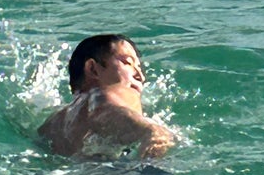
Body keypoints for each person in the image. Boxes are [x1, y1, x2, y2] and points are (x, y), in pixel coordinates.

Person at [40, 34, 177, 163]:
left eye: (139, 67)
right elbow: (103, 111)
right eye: (128, 63)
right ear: (92, 69)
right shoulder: (105, 94)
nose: (140, 76)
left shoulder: (52, 123)